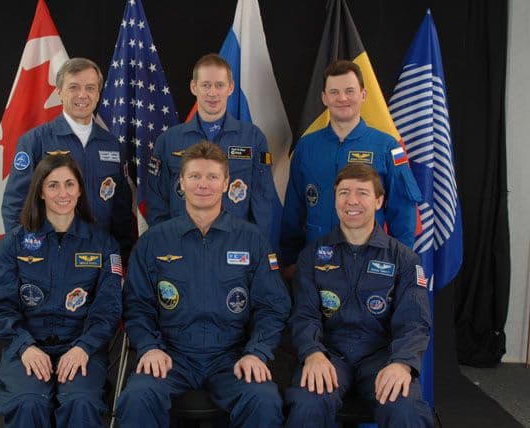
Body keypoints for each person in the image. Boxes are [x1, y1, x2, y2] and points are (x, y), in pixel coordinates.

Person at [117, 141, 290, 427]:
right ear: (181, 182)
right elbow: (136, 306)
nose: (203, 184)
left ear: (226, 183)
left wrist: (256, 352)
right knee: (137, 397)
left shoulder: (251, 240)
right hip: (171, 355)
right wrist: (149, 346)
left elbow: (272, 306)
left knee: (264, 399)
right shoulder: (154, 241)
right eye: (195, 176)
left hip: (231, 357)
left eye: (212, 177)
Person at [284, 163, 433, 427]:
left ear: (379, 201)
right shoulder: (312, 256)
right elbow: (304, 315)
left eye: (362, 193)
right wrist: (312, 353)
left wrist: (401, 363)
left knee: (406, 409)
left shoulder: (404, 259)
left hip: (382, 356)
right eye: (344, 192)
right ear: (335, 199)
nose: (352, 200)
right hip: (329, 354)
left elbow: (414, 322)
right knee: (307, 403)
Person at [0, 154, 122, 427]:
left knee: (80, 403)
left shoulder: (103, 244)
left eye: (69, 184)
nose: (63, 193)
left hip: (81, 347)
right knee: (29, 402)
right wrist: (25, 347)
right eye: (53, 185)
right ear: (40, 191)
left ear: (80, 189)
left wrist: (84, 347)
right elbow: (0, 306)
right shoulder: (15, 243)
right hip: (28, 345)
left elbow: (108, 308)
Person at [280, 60, 422, 278]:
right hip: (316, 264)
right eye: (334, 92)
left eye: (349, 91)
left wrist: (399, 263)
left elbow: (403, 212)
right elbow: (293, 209)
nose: (342, 98)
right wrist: (290, 261)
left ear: (363, 95)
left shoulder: (387, 147)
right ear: (324, 98)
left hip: (369, 266)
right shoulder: (306, 147)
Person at [1, 57, 133, 262]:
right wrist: (28, 253)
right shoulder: (36, 141)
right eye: (74, 87)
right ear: (59, 92)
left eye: (90, 88)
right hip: (50, 257)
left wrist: (122, 257)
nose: (82, 95)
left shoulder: (112, 145)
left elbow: (121, 210)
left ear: (98, 94)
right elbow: (15, 204)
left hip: (100, 257)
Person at [146, 53, 276, 242]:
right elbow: (157, 204)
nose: (213, 93)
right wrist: (167, 246)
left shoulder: (252, 138)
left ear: (230, 88)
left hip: (235, 245)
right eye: (206, 85)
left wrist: (257, 247)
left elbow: (262, 202)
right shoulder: (169, 141)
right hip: (182, 243)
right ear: (194, 87)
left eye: (219, 85)